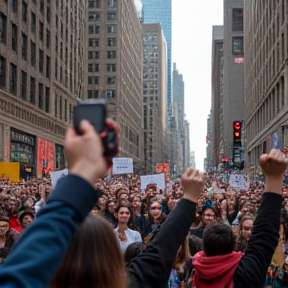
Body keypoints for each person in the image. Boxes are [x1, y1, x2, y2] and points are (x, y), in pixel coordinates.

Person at [192, 149, 288, 288]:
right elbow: (264, 237)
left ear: (204, 249)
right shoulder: (247, 275)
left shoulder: (193, 274)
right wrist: (274, 179)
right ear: (233, 249)